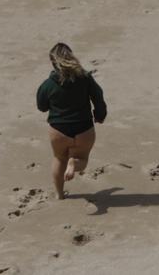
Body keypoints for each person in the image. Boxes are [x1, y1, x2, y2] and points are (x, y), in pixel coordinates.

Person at [36, 42, 107, 200]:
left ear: (53, 62)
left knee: (59, 159)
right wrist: (100, 115)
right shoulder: (85, 78)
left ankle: (60, 194)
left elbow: (41, 106)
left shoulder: (48, 85)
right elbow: (98, 96)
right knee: (82, 160)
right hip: (84, 129)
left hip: (59, 131)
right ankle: (74, 164)